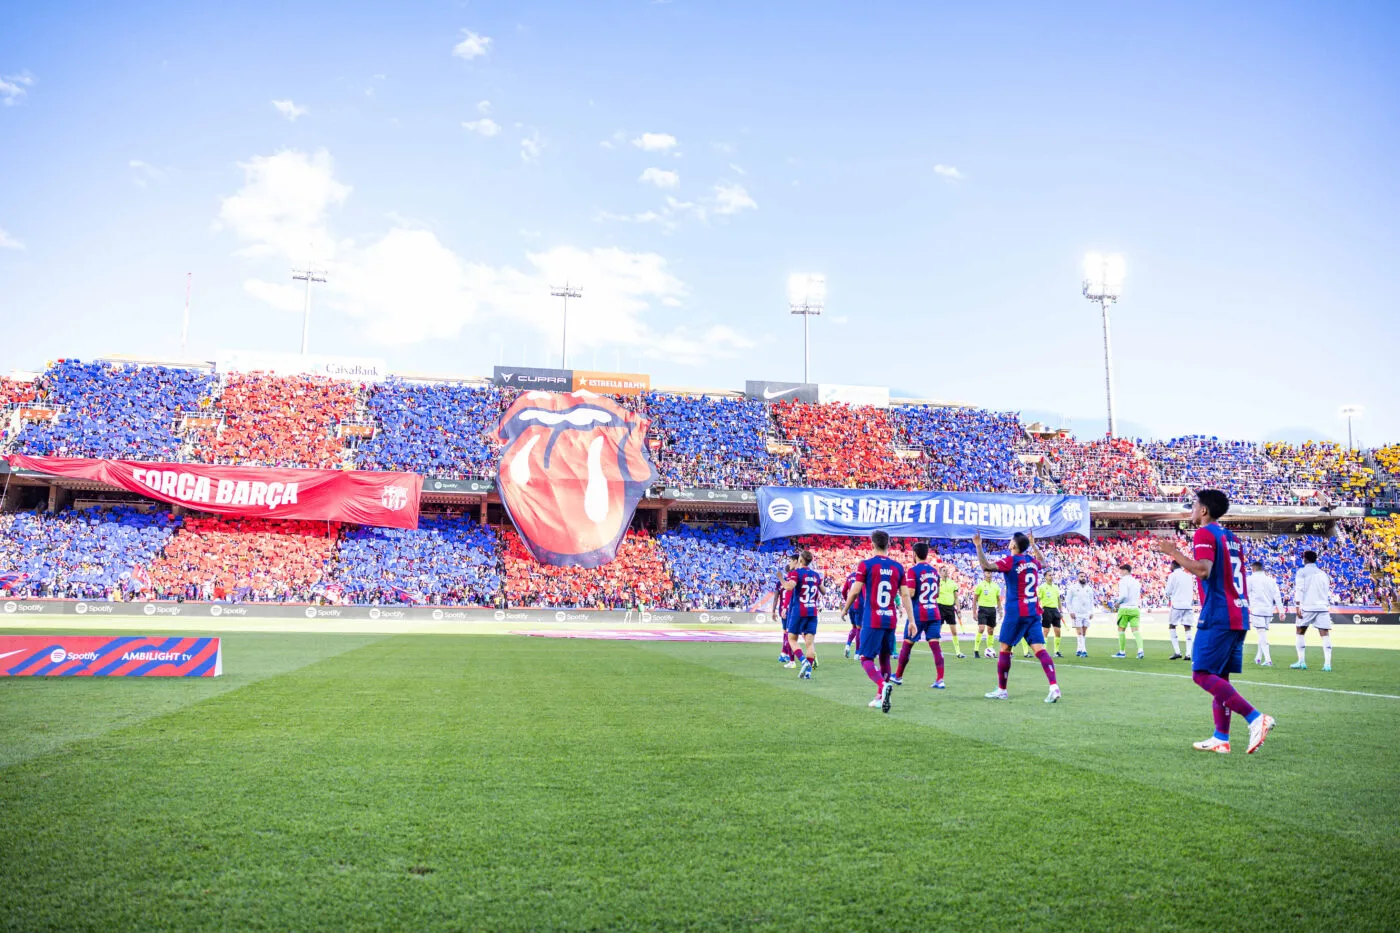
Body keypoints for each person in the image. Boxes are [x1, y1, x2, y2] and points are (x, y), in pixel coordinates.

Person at [1156, 489, 1275, 755]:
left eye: (1193, 505)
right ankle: (1221, 737)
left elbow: (1203, 569)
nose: (1191, 510)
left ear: (1204, 511)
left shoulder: (1204, 533)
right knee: (1220, 677)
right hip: (1238, 612)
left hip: (1219, 613)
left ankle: (1256, 718)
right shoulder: (1231, 538)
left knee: (1201, 674)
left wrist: (1173, 552)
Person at [974, 531, 1060, 703]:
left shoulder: (1010, 561)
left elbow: (986, 567)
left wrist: (978, 545)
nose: (1009, 543)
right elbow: (1043, 562)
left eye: (1011, 542)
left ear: (1013, 545)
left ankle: (1002, 690)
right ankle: (1054, 687)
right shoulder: (1032, 561)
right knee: (1040, 649)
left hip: (1016, 612)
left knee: (1005, 649)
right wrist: (1034, 544)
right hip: (1034, 612)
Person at [841, 529, 905, 713]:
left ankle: (882, 685)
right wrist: (912, 619)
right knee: (885, 657)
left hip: (872, 618)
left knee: (866, 657)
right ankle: (880, 695)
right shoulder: (898, 567)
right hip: (890, 619)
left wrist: (845, 609)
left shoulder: (866, 565)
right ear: (889, 544)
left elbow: (854, 591)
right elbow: (905, 595)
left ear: (872, 544)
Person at [892, 541, 947, 689]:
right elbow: (937, 593)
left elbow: (910, 593)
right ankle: (940, 679)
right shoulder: (935, 571)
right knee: (935, 646)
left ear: (914, 554)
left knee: (907, 644)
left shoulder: (913, 571)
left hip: (918, 614)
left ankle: (898, 676)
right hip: (934, 613)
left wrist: (899, 591)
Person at [782, 550, 822, 679]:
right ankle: (808, 673)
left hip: (799, 610)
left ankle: (803, 661)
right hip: (812, 611)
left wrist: (780, 578)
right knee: (810, 644)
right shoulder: (816, 575)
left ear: (800, 560)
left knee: (792, 639)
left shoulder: (796, 573)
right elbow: (824, 591)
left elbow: (789, 587)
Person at [1291, 550, 1334, 671]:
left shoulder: (1302, 572)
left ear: (1305, 558)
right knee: (1325, 634)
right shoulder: (1323, 574)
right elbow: (1326, 590)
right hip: (1322, 607)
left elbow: (1299, 589)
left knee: (1300, 631)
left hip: (1308, 606)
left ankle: (1301, 662)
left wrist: (1298, 606)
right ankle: (1327, 664)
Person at [1247, 560, 1285, 667]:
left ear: (1253, 569)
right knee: (1262, 633)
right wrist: (1281, 611)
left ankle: (1268, 660)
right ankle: (1258, 657)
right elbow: (1277, 596)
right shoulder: (1271, 580)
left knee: (1261, 633)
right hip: (1269, 611)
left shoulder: (1250, 579)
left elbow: (1245, 594)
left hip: (1257, 610)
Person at [1164, 560, 1198, 661]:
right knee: (1187, 628)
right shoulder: (1188, 576)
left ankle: (1177, 652)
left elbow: (1167, 591)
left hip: (1177, 604)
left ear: (1173, 565)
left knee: (1172, 625)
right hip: (1188, 605)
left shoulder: (1172, 576)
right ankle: (1188, 654)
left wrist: (1172, 593)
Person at [1112, 563, 1145, 659]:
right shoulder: (1136, 582)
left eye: (1121, 570)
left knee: (1121, 630)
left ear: (1126, 571)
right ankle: (1140, 651)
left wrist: (1118, 603)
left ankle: (1122, 652)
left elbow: (1124, 595)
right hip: (1135, 608)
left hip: (1125, 608)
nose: (1120, 572)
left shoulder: (1123, 581)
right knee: (1136, 631)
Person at [771, 554, 798, 664]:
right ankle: (786, 654)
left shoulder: (779, 583)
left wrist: (773, 611)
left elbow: (776, 598)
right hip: (790, 608)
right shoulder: (794, 581)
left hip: (782, 608)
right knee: (790, 633)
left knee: (785, 632)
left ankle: (784, 653)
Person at [936, 565, 966, 658]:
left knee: (954, 631)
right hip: (940, 607)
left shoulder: (953, 583)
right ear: (940, 572)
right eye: (944, 571)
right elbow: (935, 595)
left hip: (950, 608)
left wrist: (959, 610)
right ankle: (938, 652)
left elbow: (956, 598)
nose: (946, 572)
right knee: (938, 631)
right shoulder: (937, 582)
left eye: (947, 571)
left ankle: (958, 652)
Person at [972, 569, 1003, 659]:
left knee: (991, 630)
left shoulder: (996, 586)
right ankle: (976, 650)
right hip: (982, 609)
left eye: (991, 572)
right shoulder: (980, 585)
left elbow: (998, 599)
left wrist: (1000, 611)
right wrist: (974, 612)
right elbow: (974, 599)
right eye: (988, 572)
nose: (990, 574)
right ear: (984, 574)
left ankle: (990, 649)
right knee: (981, 629)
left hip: (992, 609)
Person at [1064, 571, 1095, 657]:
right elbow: (1068, 601)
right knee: (1079, 632)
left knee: (1084, 632)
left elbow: (1091, 601)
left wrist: (1091, 611)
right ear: (1077, 578)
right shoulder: (1072, 588)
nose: (1083, 578)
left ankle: (1079, 649)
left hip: (1086, 613)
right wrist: (1071, 611)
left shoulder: (1089, 588)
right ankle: (1083, 650)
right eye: (1081, 576)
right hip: (1077, 613)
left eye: (1084, 576)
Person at [1038, 569, 1064, 658]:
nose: (1051, 576)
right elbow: (1038, 599)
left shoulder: (1056, 587)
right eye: (1049, 575)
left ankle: (1056, 651)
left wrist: (1061, 611)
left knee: (1058, 631)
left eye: (1052, 575)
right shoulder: (1042, 587)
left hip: (1055, 610)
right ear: (1045, 577)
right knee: (1046, 631)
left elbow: (1058, 600)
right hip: (1046, 610)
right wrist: (1037, 610)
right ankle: (1043, 651)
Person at [841, 568, 865, 660]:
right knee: (859, 629)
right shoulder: (863, 576)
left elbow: (843, 591)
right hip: (860, 604)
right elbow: (864, 592)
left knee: (854, 628)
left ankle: (847, 645)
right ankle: (857, 653)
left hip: (850, 605)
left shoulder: (850, 576)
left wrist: (848, 601)